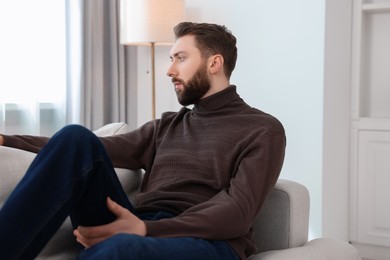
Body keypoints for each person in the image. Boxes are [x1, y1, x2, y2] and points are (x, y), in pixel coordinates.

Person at [0, 22, 286, 260]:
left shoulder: (262, 129)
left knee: (117, 249)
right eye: (171, 58)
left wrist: (148, 230)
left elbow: (237, 213)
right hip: (137, 224)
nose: (169, 70)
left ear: (214, 63)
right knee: (75, 137)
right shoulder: (167, 125)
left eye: (180, 58)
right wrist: (6, 139)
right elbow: (86, 151)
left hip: (206, 241)